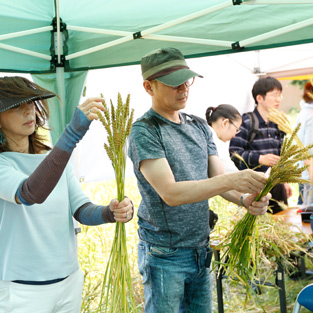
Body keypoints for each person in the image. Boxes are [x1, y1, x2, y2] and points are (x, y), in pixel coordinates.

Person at [127, 47, 271, 313]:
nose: (183, 88)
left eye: (186, 80)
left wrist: (244, 199)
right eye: (173, 83)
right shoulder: (145, 131)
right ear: (149, 87)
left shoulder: (198, 126)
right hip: (164, 254)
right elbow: (171, 193)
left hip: (200, 249)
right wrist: (234, 181)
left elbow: (217, 180)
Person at [0, 76, 134, 313]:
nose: (28, 110)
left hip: (69, 281)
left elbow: (81, 210)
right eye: (16, 106)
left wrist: (109, 212)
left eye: (31, 103)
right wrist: (72, 133)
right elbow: (30, 193)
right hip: (22, 290)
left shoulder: (53, 159)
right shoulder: (3, 163)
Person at [229, 76, 292, 214]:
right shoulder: (246, 122)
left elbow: (281, 156)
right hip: (255, 188)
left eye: (280, 95)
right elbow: (234, 153)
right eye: (274, 95)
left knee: (282, 225)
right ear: (259, 98)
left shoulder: (278, 123)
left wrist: (285, 181)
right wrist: (260, 158)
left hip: (277, 185)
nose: (279, 99)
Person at [205, 104, 241, 173]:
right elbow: (231, 174)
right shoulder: (215, 143)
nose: (234, 135)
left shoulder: (203, 132)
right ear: (225, 123)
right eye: (236, 130)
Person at [296, 81, 313, 206]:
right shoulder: (310, 115)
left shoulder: (304, 113)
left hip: (305, 173)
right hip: (310, 176)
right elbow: (310, 149)